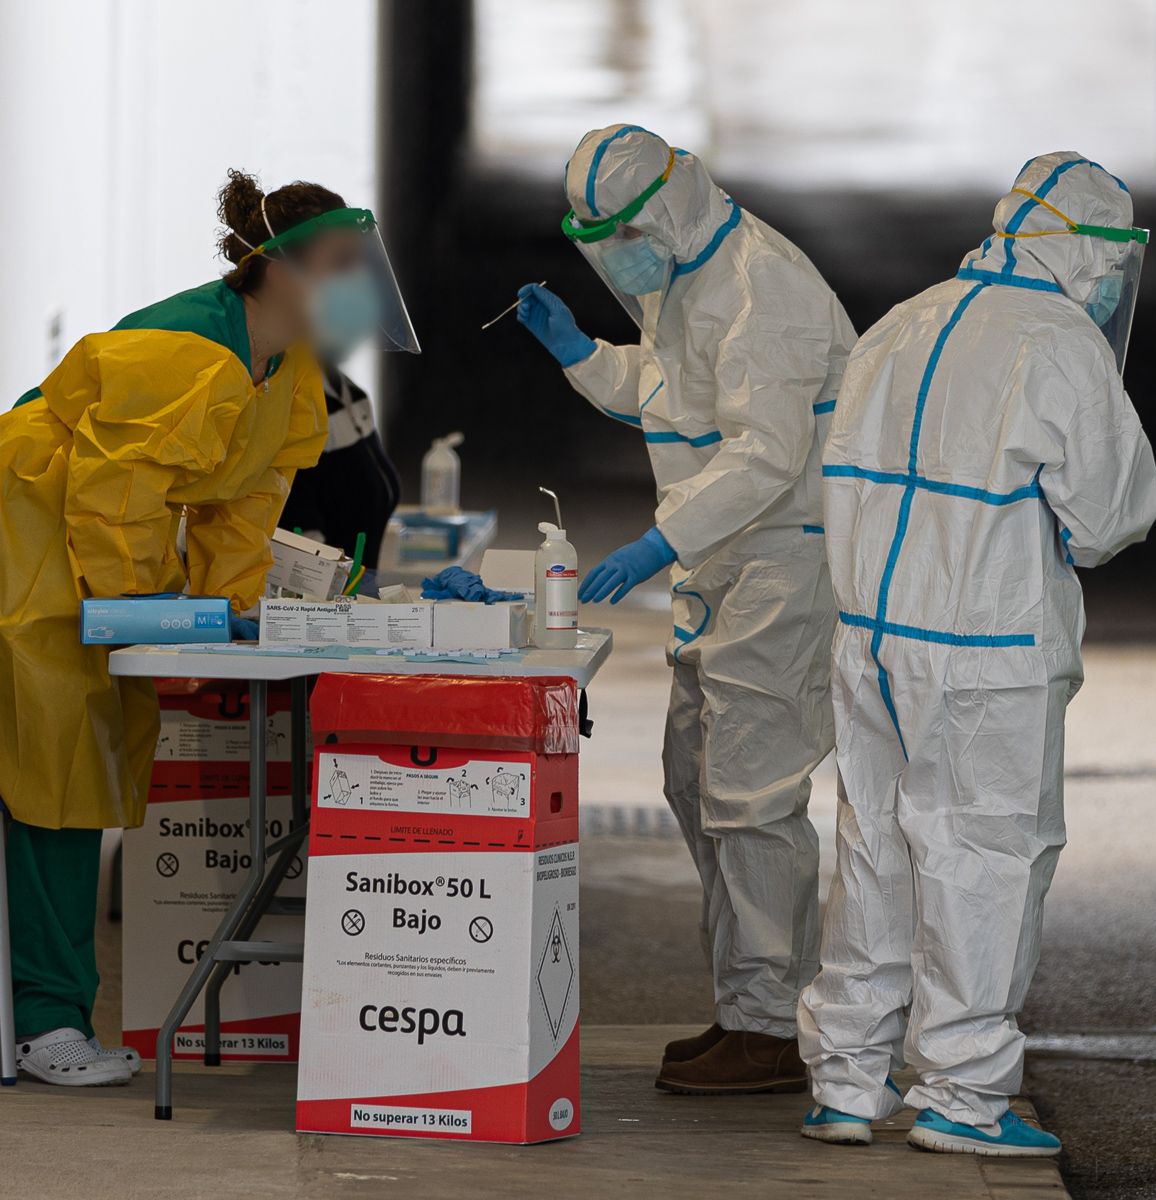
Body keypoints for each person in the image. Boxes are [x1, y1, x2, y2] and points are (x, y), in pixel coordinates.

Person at [0, 171, 416, 1086]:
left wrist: (235, 615)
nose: (358, 285)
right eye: (341, 264)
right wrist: (148, 612)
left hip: (88, 546)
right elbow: (113, 501)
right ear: (277, 268)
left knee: (90, 761)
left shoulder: (288, 369)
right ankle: (43, 1023)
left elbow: (245, 503)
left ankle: (48, 1009)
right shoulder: (186, 350)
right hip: (32, 529)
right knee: (56, 775)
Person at [796, 152, 1156, 1156]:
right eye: (1112, 259)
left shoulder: (900, 324)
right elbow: (1111, 517)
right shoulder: (1062, 345)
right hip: (986, 650)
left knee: (873, 846)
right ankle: (961, 1096)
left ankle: (846, 1082)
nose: (1112, 282)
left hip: (870, 642)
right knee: (987, 859)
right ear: (1083, 248)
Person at [515, 125, 854, 1094]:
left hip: (785, 561)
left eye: (622, 233)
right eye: (597, 240)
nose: (615, 255)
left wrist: (660, 542)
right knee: (696, 779)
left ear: (665, 208)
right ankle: (745, 1008)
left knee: (751, 796)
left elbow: (765, 453)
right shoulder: (686, 270)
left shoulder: (764, 289)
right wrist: (583, 353)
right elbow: (674, 392)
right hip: (728, 560)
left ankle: (771, 1027)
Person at [280, 363, 401, 570]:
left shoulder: (350, 391)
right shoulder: (298, 400)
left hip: (361, 580)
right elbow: (297, 515)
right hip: (327, 582)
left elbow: (378, 487)